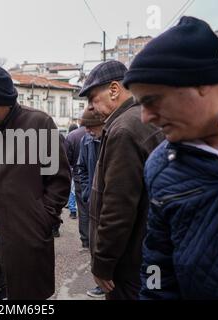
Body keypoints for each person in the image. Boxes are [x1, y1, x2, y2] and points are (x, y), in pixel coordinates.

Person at [123, 16, 218, 299]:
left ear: (201, 84)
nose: (145, 117)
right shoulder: (160, 168)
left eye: (151, 100)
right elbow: (158, 267)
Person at [0, 67, 71, 300]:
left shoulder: (40, 124)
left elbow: (59, 180)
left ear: (8, 101)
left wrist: (43, 219)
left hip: (26, 237)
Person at [79, 60, 164, 300]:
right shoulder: (142, 118)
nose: (91, 108)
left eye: (93, 98)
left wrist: (103, 264)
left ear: (114, 90)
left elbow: (118, 207)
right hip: (149, 254)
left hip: (130, 262)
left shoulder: (123, 129)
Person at [77, 109, 106, 299]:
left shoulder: (113, 138)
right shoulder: (85, 141)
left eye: (91, 126)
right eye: (85, 127)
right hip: (93, 202)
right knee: (95, 242)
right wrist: (88, 192)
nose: (87, 130)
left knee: (110, 240)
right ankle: (101, 283)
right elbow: (81, 168)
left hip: (111, 200)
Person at [64, 124, 87, 221]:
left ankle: (73, 211)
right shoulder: (95, 132)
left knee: (73, 193)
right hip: (93, 173)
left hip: (76, 172)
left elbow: (66, 158)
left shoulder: (71, 136)